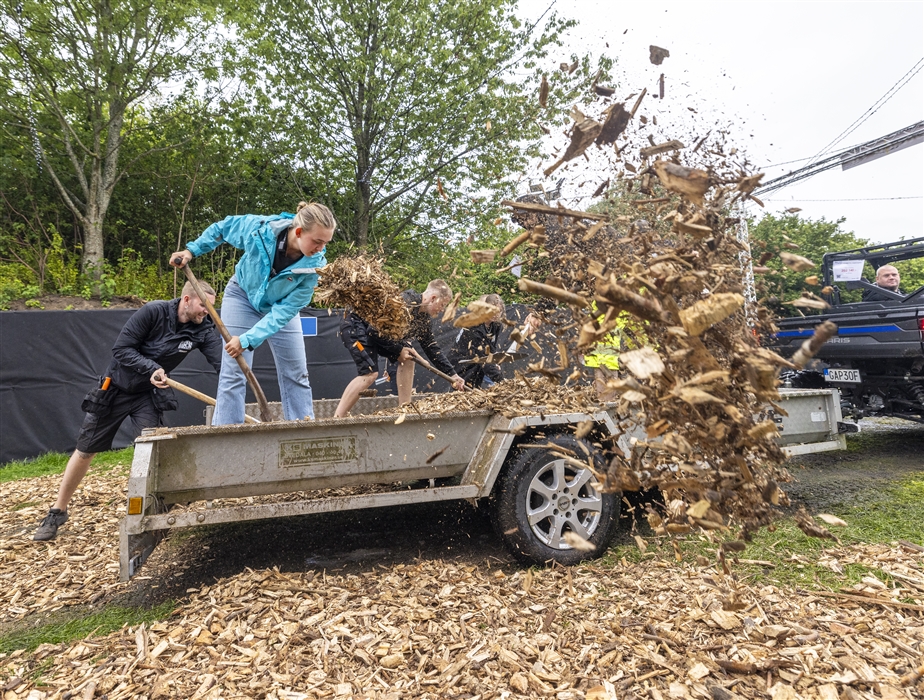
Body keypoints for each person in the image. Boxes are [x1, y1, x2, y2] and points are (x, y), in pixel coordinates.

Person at [34, 282, 223, 541]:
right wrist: (152, 368)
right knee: (86, 449)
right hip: (116, 388)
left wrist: (234, 382)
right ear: (187, 299)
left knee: (153, 448)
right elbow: (121, 349)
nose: (208, 311)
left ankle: (158, 508)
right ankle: (57, 511)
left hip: (147, 395)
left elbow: (223, 365)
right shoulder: (154, 312)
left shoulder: (203, 329)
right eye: (204, 305)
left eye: (211, 307)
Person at [170, 202, 336, 424]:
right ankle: (228, 438)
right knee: (233, 372)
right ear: (298, 232)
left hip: (279, 309)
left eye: (326, 242)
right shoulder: (260, 230)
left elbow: (283, 313)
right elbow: (223, 228)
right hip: (242, 297)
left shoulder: (314, 268)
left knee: (297, 373)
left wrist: (247, 339)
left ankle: (303, 434)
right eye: (317, 241)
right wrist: (192, 250)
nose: (321, 248)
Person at [335, 280, 464, 417]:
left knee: (409, 357)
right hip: (357, 324)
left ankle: (405, 408)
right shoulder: (405, 302)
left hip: (374, 332)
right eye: (443, 305)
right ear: (433, 298)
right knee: (370, 373)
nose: (442, 310)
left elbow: (431, 347)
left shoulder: (423, 318)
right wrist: (398, 350)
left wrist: (452, 375)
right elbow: (374, 330)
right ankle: (337, 419)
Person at [448, 294, 506, 389]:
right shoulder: (474, 326)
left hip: (476, 360)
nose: (495, 314)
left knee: (475, 387)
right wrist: (503, 382)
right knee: (462, 391)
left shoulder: (496, 326)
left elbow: (491, 348)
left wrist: (494, 360)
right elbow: (483, 358)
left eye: (498, 311)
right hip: (461, 361)